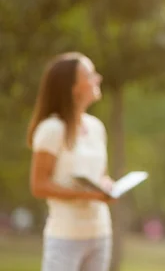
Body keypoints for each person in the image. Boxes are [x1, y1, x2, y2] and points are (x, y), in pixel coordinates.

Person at [28, 52, 114, 271]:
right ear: (72, 87)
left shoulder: (96, 128)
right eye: (90, 74)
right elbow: (39, 185)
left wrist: (107, 186)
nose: (98, 78)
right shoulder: (51, 130)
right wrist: (85, 195)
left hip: (100, 233)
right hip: (66, 236)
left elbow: (101, 175)